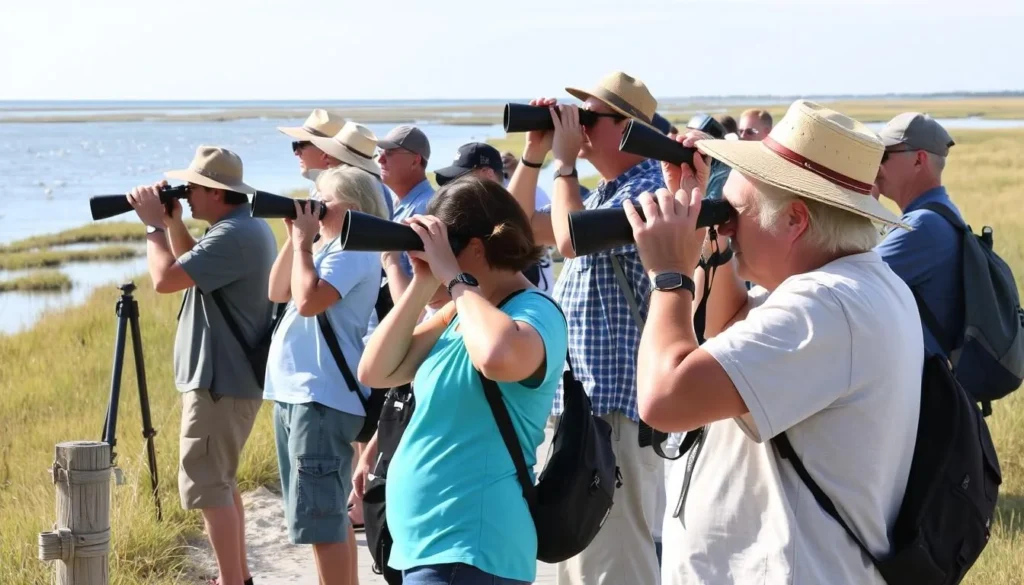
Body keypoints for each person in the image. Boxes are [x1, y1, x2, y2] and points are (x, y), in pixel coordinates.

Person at [624, 100, 922, 585]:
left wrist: (669, 277)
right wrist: (707, 237)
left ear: (794, 220)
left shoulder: (829, 306)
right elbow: (727, 330)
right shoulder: (849, 287)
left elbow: (664, 398)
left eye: (734, 211)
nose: (726, 222)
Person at [357, 176, 568, 585]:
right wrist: (423, 281)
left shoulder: (534, 312)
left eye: (443, 250)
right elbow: (376, 370)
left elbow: (496, 357)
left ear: (475, 248)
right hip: (431, 547)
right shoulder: (460, 315)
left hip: (471, 546)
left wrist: (453, 279)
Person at [505, 70, 665, 585]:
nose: (578, 127)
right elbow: (513, 228)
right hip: (580, 403)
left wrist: (566, 161)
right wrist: (536, 153)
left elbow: (571, 240)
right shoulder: (597, 195)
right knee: (575, 554)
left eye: (590, 118)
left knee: (614, 557)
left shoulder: (649, 192)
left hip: (617, 407)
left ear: (628, 128)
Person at [126, 146, 277, 585]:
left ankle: (232, 580)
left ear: (215, 191)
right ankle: (237, 576)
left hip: (219, 382)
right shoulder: (240, 228)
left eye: (193, 187)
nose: (187, 194)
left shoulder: (235, 234)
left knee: (209, 486)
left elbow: (166, 279)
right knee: (222, 483)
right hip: (226, 380)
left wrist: (154, 227)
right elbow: (195, 266)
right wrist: (172, 222)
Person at [263, 166, 390, 585]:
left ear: (353, 208)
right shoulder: (326, 248)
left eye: (324, 198)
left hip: (320, 398)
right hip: (300, 397)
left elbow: (308, 302)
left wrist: (304, 246)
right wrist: (295, 240)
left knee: (323, 517)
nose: (314, 204)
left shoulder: (353, 252)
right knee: (316, 517)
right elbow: (278, 291)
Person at [873, 112, 962, 358]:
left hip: (929, 388)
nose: (875, 166)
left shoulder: (924, 225)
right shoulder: (939, 212)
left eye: (883, 155)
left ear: (918, 160)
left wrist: (857, 212)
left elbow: (850, 283)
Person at [430, 142, 557, 296]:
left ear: (487, 173)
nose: (456, 186)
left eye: (462, 177)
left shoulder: (532, 195)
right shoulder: (474, 211)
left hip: (530, 299)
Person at [279, 112, 394, 218]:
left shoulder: (353, 190)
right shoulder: (326, 188)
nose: (296, 152)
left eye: (300, 145)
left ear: (324, 150)